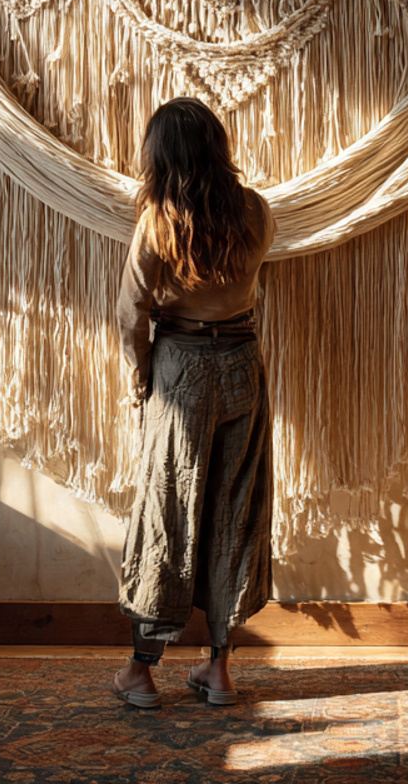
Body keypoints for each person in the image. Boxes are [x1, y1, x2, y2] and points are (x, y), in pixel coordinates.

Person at [111, 97, 276, 709]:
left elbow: (133, 311)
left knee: (168, 512)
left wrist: (142, 374)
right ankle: (220, 670)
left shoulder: (159, 222)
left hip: (180, 367)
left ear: (164, 156)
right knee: (235, 509)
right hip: (242, 365)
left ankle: (141, 671)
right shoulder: (256, 212)